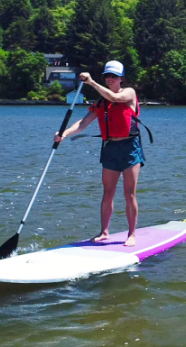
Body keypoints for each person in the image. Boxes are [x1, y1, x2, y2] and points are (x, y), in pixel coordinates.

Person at [54, 61, 145, 246]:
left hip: (130, 147)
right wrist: (64, 134)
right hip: (110, 148)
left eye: (114, 76)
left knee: (129, 194)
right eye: (107, 76)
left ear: (121, 79)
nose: (110, 79)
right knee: (108, 193)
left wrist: (92, 83)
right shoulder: (101, 103)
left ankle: (132, 234)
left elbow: (114, 97)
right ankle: (104, 232)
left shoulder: (129, 93)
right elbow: (83, 123)